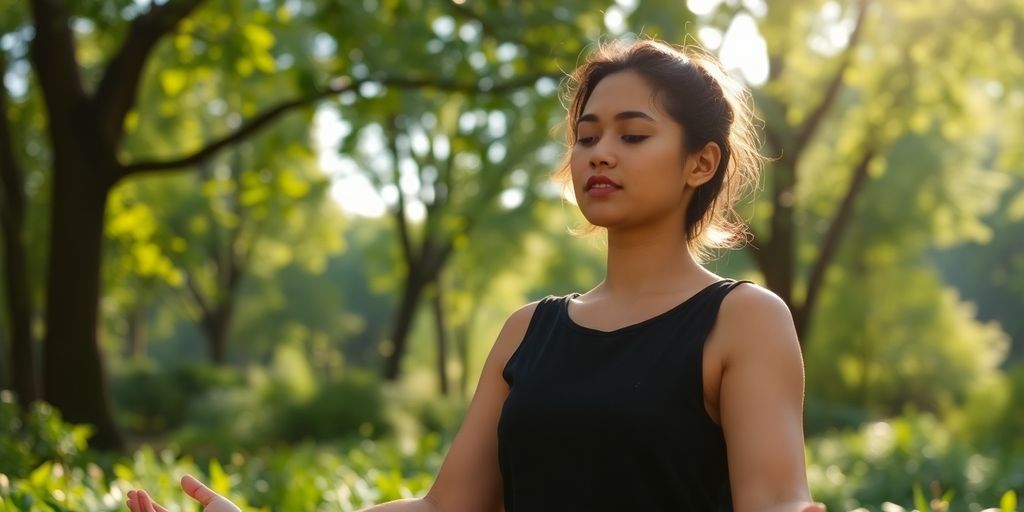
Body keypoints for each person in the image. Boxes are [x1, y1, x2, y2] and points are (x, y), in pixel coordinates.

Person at [127, 38, 826, 512]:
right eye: (586, 137)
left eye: (632, 135)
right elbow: (446, 508)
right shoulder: (531, 330)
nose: (599, 155)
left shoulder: (744, 320)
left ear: (700, 164)